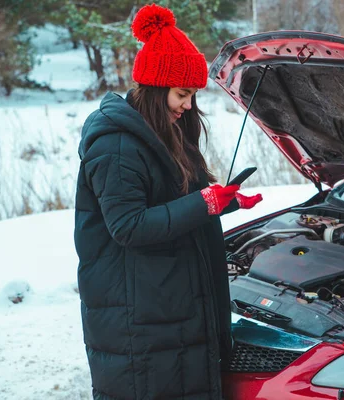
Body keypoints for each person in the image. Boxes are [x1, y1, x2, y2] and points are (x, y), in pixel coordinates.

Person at [73, 4, 263, 399]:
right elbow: (129, 226)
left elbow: (175, 203)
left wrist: (223, 201)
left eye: (192, 95)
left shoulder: (164, 132)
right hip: (137, 318)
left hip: (165, 307)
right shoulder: (117, 147)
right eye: (182, 94)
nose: (188, 105)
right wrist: (204, 204)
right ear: (157, 88)